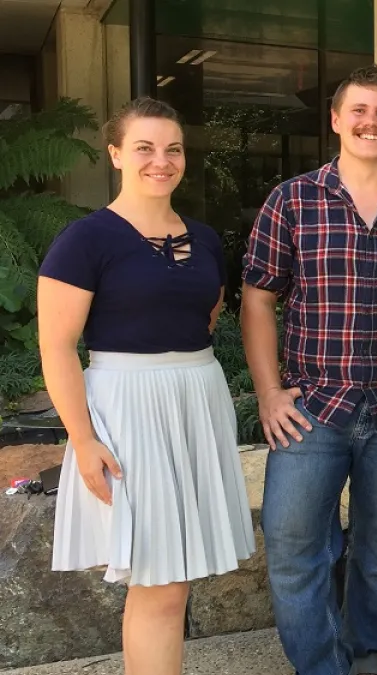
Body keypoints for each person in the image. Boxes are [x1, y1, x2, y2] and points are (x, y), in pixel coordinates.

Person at [240, 64, 377, 675]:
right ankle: (321, 665)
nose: (371, 123)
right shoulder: (292, 200)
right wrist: (268, 392)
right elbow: (258, 298)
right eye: (359, 111)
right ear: (336, 120)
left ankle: (367, 654)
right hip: (311, 409)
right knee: (292, 546)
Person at [39, 96, 254, 675]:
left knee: (169, 583)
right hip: (127, 408)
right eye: (144, 148)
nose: (161, 160)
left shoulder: (205, 240)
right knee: (159, 581)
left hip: (196, 400)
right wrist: (83, 439)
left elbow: (204, 317)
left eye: (173, 149)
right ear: (115, 154)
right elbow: (56, 347)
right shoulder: (84, 240)